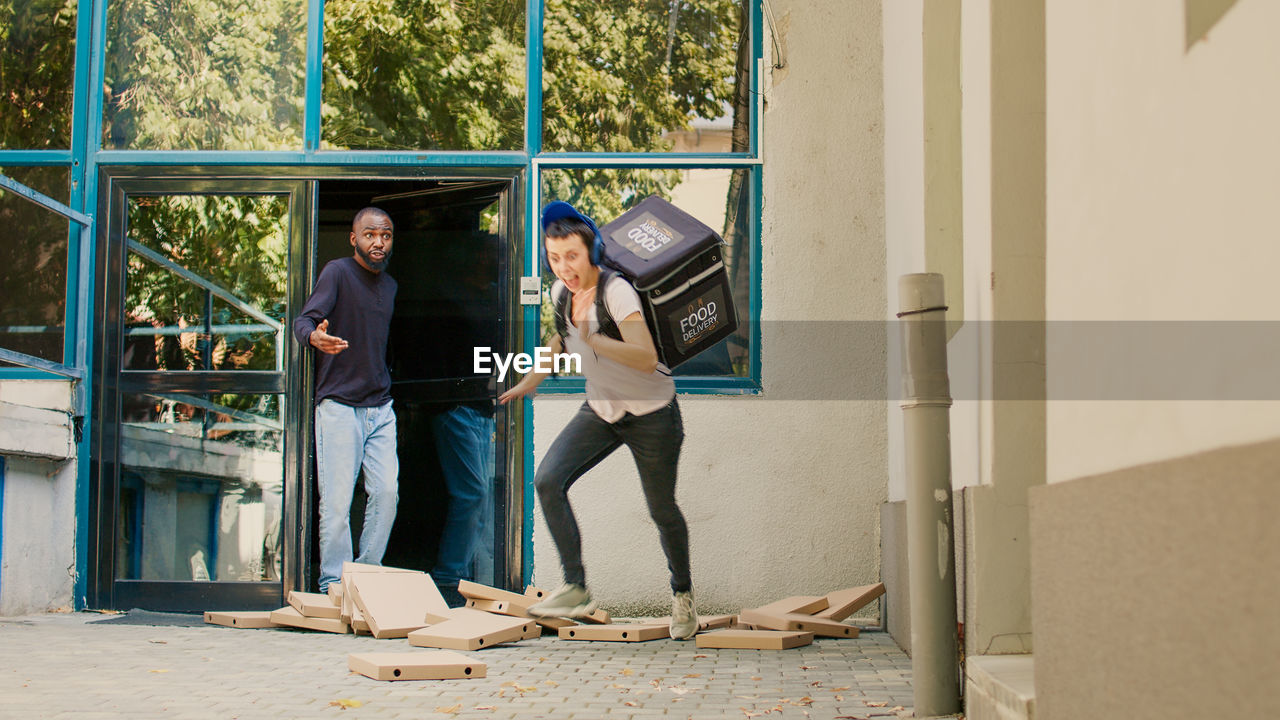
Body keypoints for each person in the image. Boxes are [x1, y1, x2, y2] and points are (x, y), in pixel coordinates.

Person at [498, 201, 698, 640]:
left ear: (591, 250)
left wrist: (596, 341)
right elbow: (559, 337)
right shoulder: (559, 293)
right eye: (554, 257)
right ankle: (576, 587)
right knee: (548, 480)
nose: (564, 267)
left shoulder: (617, 291)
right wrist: (531, 379)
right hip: (603, 410)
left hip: (652, 415)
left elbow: (645, 357)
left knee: (661, 510)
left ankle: (682, 595)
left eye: (571, 255)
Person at [293, 207, 399, 593]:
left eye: (385, 235)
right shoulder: (337, 272)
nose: (378, 242)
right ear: (354, 238)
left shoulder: (390, 286)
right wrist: (314, 338)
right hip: (338, 406)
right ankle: (333, 583)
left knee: (387, 493)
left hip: (381, 408)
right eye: (370, 234)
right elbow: (303, 321)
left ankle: (366, 577)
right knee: (336, 504)